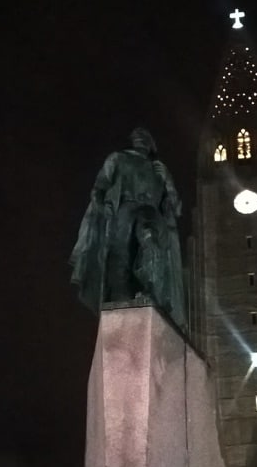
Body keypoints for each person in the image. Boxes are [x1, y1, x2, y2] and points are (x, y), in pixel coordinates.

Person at [70, 128, 186, 330]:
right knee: (118, 255)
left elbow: (175, 207)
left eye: (145, 135)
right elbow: (100, 186)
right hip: (124, 210)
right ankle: (120, 299)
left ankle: (150, 288)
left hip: (149, 211)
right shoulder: (118, 159)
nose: (138, 136)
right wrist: (101, 203)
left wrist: (168, 181)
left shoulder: (158, 169)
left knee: (149, 237)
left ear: (151, 145)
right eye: (135, 135)